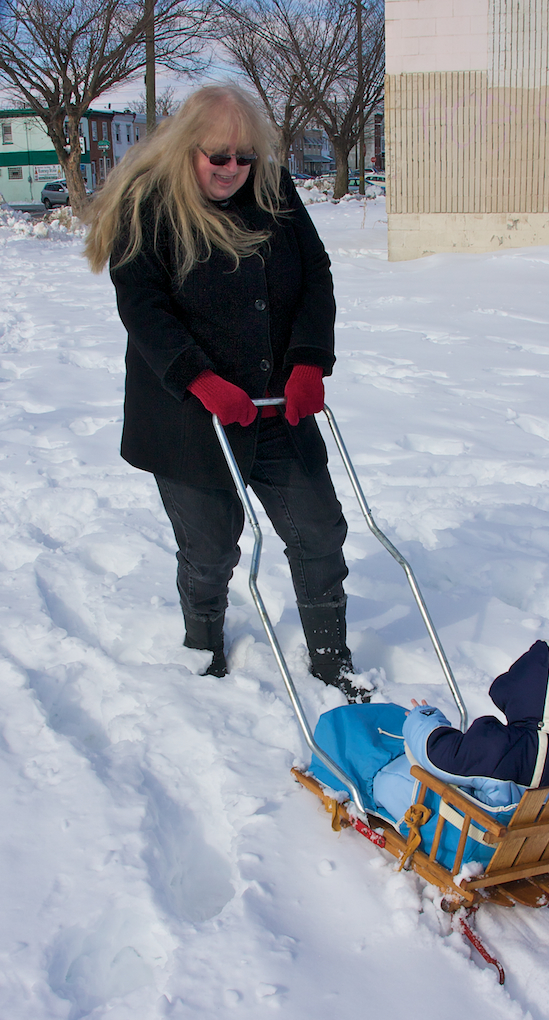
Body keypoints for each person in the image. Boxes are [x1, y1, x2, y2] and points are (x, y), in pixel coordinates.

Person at [84, 84, 368, 699]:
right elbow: (143, 306)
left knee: (319, 531)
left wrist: (308, 361)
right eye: (218, 156)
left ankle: (331, 660)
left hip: (275, 404)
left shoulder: (273, 191)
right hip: (191, 417)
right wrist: (200, 379)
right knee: (210, 548)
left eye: (245, 157)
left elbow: (315, 275)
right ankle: (203, 648)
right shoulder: (148, 205)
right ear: (188, 148)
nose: (232, 168)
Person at [373, 639, 549, 824]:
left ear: (522, 692)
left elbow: (437, 755)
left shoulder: (501, 746)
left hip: (483, 839)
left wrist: (424, 717)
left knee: (389, 780)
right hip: (540, 844)